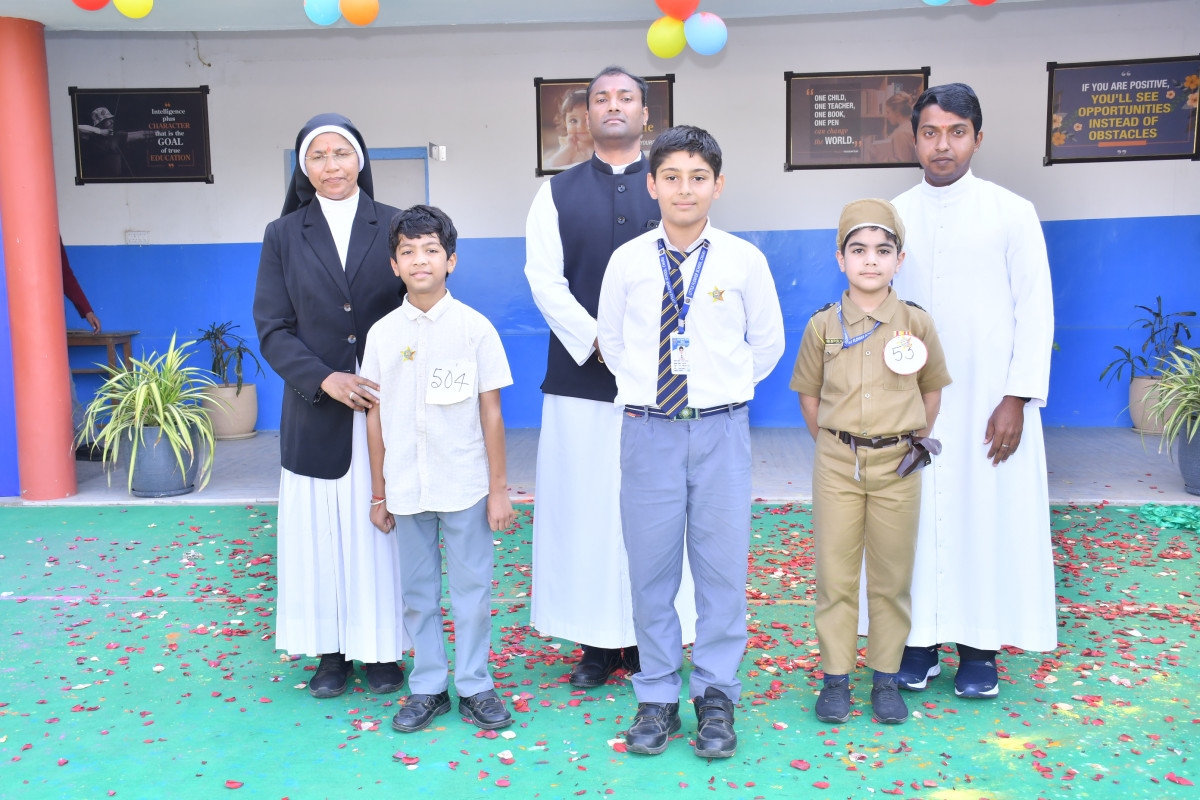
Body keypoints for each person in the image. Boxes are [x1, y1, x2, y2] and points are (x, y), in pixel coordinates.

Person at [597, 125, 784, 758]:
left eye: (698, 178)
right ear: (651, 185)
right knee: (650, 571)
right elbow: (612, 341)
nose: (685, 189)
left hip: (721, 430)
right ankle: (656, 697)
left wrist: (720, 389)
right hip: (647, 429)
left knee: (721, 572)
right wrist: (652, 391)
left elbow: (767, 344)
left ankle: (716, 697)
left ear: (718, 185)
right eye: (672, 177)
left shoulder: (743, 260)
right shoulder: (627, 261)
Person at [524, 66, 698, 689]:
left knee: (657, 510)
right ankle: (595, 644)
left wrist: (643, 348)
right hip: (581, 379)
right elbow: (545, 280)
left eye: (626, 97)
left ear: (646, 114)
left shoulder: (672, 184)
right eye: (601, 98)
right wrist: (600, 340)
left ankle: (651, 637)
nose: (613, 106)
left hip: (661, 381)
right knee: (585, 510)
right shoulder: (556, 193)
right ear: (587, 114)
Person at [884, 83, 1056, 698]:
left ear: (977, 139)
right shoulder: (893, 215)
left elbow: (1035, 309)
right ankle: (919, 643)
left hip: (989, 400)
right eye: (930, 132)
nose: (943, 145)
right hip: (912, 400)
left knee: (985, 515)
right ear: (913, 140)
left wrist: (1017, 396)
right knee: (914, 519)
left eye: (956, 132)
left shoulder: (1011, 212)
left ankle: (980, 648)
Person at [254, 113, 409, 700]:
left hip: (384, 406)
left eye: (341, 153)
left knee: (381, 531)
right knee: (320, 537)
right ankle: (331, 653)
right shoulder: (282, 234)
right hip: (315, 409)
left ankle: (383, 650)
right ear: (303, 168)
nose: (331, 165)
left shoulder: (394, 223)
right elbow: (272, 328)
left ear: (360, 161)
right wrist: (325, 379)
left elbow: (419, 302)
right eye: (316, 156)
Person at [789, 199, 950, 725]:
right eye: (858, 250)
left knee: (891, 577)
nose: (871, 260)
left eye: (883, 250)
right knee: (835, 575)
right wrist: (836, 445)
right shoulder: (822, 326)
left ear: (899, 259)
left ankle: (885, 678)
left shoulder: (917, 323)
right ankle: (836, 678)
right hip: (838, 463)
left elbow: (931, 390)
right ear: (840, 259)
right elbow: (809, 394)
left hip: (898, 465)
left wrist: (910, 441)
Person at [363, 205, 516, 733]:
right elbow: (375, 416)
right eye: (407, 251)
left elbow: (491, 413)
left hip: (464, 485)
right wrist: (379, 492)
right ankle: (428, 686)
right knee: (419, 595)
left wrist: (498, 489)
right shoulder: (382, 334)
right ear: (394, 265)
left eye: (431, 250)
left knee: (472, 594)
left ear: (450, 260)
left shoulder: (475, 329)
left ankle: (475, 685)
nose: (419, 260)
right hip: (406, 488)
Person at [60, 237, 104, 459]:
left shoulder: (48, 232)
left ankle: (86, 440)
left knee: (62, 380)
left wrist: (87, 310)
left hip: (41, 322)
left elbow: (64, 273)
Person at [76, 106, 151, 178]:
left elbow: (142, 134)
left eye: (112, 119)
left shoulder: (116, 136)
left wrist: (156, 133)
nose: (112, 122)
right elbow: (76, 128)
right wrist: (100, 131)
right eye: (108, 120)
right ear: (100, 123)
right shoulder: (91, 138)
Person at [545, 88, 594, 168]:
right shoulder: (568, 144)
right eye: (573, 120)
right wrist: (569, 148)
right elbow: (553, 164)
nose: (580, 126)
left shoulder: (602, 144)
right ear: (565, 123)